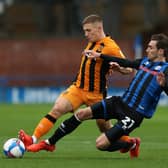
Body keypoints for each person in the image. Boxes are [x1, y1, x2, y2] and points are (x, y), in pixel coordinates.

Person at [26, 33, 168, 159]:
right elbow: (125, 62)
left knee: (100, 144)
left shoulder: (165, 70)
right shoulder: (144, 62)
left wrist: (164, 85)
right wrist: (99, 56)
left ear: (160, 51)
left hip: (134, 114)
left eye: (151, 47)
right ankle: (49, 143)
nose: (147, 49)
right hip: (120, 102)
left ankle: (130, 144)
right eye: (148, 46)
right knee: (81, 114)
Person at [19, 14, 134, 150]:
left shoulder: (111, 46)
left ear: (99, 28)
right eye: (84, 31)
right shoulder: (92, 41)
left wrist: (119, 69)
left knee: (105, 129)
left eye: (88, 30)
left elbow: (129, 68)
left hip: (96, 95)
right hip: (78, 89)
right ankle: (32, 139)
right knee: (57, 109)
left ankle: (131, 143)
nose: (85, 34)